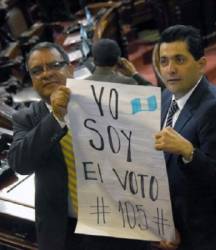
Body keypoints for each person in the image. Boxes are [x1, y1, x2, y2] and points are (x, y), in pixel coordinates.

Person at [7, 42, 150, 250]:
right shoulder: (26, 118)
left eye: (54, 65)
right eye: (37, 70)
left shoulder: (105, 101)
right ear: (31, 79)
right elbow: (20, 164)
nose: (46, 74)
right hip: (67, 234)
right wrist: (55, 117)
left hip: (120, 224)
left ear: (70, 68)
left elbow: (144, 157)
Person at [154, 25, 216, 250]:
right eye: (164, 61)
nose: (170, 69)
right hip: (170, 230)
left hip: (201, 237)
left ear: (201, 64)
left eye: (179, 60)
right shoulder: (165, 97)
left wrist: (189, 153)